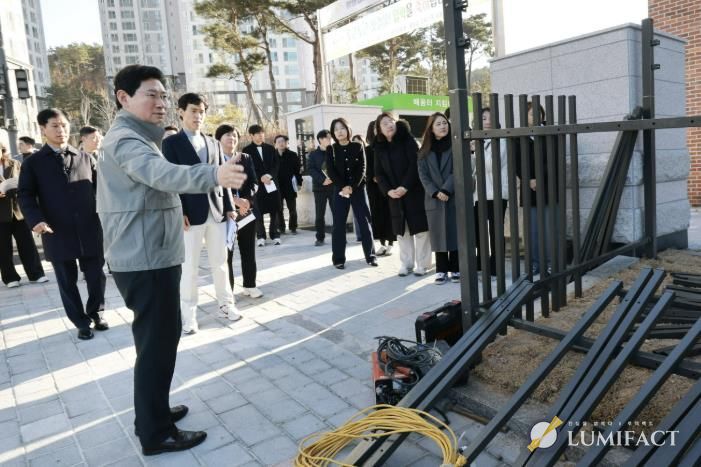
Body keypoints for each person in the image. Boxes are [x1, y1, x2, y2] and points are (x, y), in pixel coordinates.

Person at [97, 64, 246, 455]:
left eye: (164, 95)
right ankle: (155, 433)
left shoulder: (138, 136)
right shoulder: (126, 140)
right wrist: (213, 175)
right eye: (151, 94)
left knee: (158, 343)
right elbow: (161, 174)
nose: (161, 102)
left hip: (150, 254)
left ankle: (153, 414)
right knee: (157, 346)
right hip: (144, 259)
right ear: (124, 98)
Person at [17, 108, 108, 340]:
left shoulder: (85, 157)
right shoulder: (33, 163)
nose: (61, 130)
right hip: (55, 229)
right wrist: (36, 220)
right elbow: (25, 195)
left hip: (89, 227)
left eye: (64, 125)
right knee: (67, 281)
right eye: (55, 126)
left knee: (96, 275)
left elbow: (100, 191)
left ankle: (97, 313)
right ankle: (81, 322)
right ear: (43, 129)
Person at [162, 93, 239, 332]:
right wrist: (179, 210)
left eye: (202, 111)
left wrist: (229, 207)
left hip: (216, 211)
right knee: (190, 267)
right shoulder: (171, 143)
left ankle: (226, 305)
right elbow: (170, 180)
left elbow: (222, 176)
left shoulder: (213, 143)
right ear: (181, 112)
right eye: (193, 111)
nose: (198, 116)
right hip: (189, 215)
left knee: (221, 263)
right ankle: (189, 315)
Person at [373, 112, 431, 277]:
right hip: (394, 196)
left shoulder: (408, 140)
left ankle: (423, 264)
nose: (389, 125)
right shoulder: (379, 147)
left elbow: (415, 165)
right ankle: (406, 264)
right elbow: (379, 173)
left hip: (413, 192)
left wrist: (405, 186)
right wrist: (388, 190)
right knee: (402, 231)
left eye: (391, 121)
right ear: (379, 129)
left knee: (420, 230)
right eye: (384, 123)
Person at [215, 123, 263, 299]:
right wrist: (234, 201)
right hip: (224, 214)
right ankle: (228, 291)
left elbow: (254, 183)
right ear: (219, 139)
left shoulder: (245, 158)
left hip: (245, 212)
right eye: (227, 135)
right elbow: (214, 186)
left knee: (248, 250)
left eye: (234, 135)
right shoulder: (214, 160)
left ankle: (250, 285)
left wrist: (246, 201)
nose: (232, 138)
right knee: (226, 255)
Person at [326, 118, 377, 269]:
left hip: (358, 190)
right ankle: (338, 259)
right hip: (340, 191)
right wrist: (343, 187)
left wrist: (352, 186)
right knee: (339, 225)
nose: (339, 131)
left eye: (342, 128)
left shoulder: (358, 146)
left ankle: (371, 256)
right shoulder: (331, 149)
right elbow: (331, 171)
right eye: (336, 129)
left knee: (364, 222)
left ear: (348, 129)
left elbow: (362, 168)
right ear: (333, 133)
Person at [417, 113, 460, 284]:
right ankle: (441, 269)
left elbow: (457, 170)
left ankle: (456, 268)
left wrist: (446, 189)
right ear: (431, 129)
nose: (443, 126)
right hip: (433, 198)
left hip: (453, 195)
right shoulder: (424, 150)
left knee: (455, 232)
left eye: (444, 123)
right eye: (438, 124)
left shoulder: (455, 146)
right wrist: (435, 192)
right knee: (437, 234)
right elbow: (423, 175)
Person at [515, 102, 557, 274]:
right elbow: (517, 161)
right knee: (532, 230)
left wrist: (538, 178)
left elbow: (553, 159)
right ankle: (534, 263)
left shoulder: (549, 133)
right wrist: (528, 179)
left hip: (548, 187)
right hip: (529, 190)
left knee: (548, 229)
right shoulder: (520, 136)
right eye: (532, 114)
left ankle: (550, 262)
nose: (536, 116)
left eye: (539, 113)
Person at [0, 142, 47, 288]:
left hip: (18, 211)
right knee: (3, 248)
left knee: (27, 244)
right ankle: (10, 278)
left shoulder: (15, 164)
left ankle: (36, 274)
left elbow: (24, 182)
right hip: (1, 215)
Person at [473, 107, 508, 275]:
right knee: (479, 230)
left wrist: (475, 150)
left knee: (496, 231)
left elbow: (491, 165)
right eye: (483, 118)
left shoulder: (502, 140)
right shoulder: (474, 141)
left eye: (490, 118)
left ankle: (496, 266)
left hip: (497, 193)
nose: (487, 121)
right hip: (477, 194)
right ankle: (481, 263)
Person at [358, 124, 395, 256]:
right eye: (374, 129)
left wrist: (382, 178)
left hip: (388, 187)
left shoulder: (387, 147)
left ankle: (391, 243)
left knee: (389, 215)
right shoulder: (367, 149)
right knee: (377, 216)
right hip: (373, 188)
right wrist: (372, 177)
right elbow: (364, 167)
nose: (376, 131)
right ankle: (382, 244)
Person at [242, 125, 281, 246]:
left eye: (262, 133)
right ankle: (260, 236)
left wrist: (269, 175)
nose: (261, 135)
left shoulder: (271, 148)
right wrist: (260, 177)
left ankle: (275, 235)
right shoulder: (246, 150)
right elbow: (247, 168)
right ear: (251, 135)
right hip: (257, 185)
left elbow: (276, 164)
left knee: (274, 209)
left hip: (271, 183)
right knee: (258, 210)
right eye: (258, 133)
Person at [307, 129, 335, 246]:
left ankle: (339, 235)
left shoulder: (334, 152)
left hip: (334, 187)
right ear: (320, 139)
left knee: (337, 212)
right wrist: (322, 180)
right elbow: (311, 169)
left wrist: (333, 178)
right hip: (319, 188)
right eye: (327, 138)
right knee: (319, 214)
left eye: (330, 138)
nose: (330, 140)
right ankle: (320, 237)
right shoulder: (313, 154)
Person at [275, 134, 302, 235]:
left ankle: (293, 227)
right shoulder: (272, 155)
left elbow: (298, 171)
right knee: (279, 209)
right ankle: (281, 228)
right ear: (275, 144)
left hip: (290, 186)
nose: (281, 143)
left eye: (283, 141)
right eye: (279, 142)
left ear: (286, 143)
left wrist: (299, 183)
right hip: (277, 186)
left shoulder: (293, 155)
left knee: (292, 209)